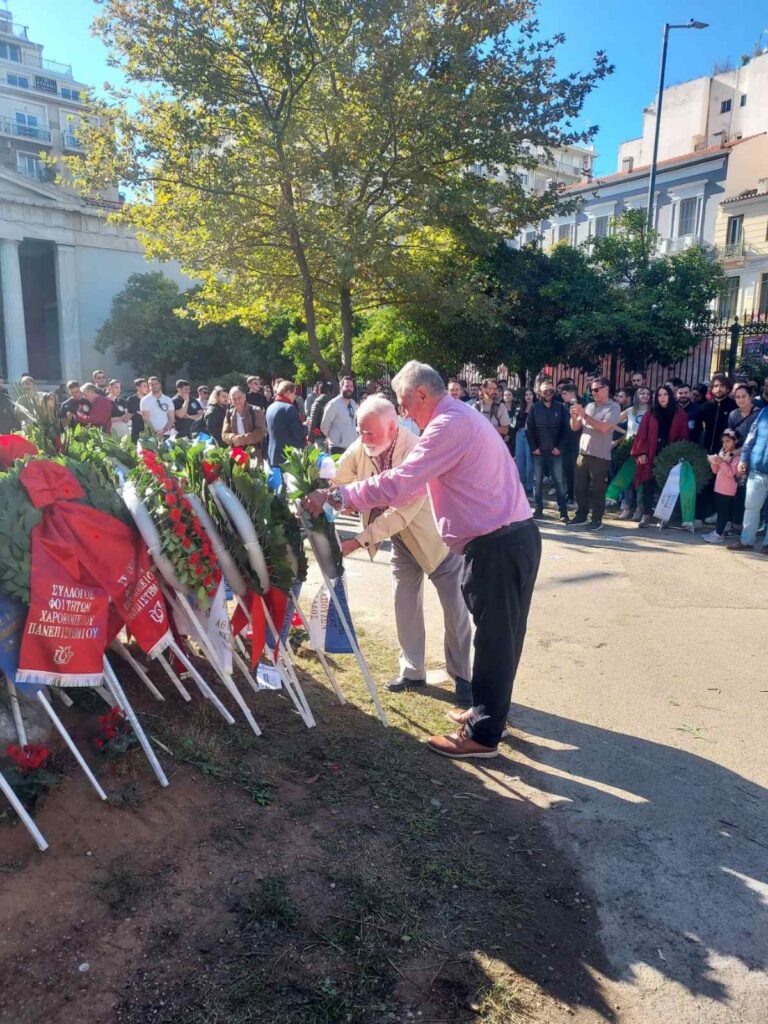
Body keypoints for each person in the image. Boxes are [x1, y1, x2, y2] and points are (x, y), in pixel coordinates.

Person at [303, 360, 540, 760]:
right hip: (506, 541)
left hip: (499, 545)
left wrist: (337, 498)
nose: (404, 410)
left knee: (496, 640)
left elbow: (401, 482)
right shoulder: (455, 418)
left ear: (421, 395)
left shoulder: (446, 426)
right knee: (498, 637)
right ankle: (484, 713)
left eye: (403, 402)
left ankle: (482, 737)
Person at [334, 396, 472, 700]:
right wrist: (319, 492)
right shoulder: (364, 444)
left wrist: (357, 541)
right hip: (400, 542)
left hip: (436, 541)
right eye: (360, 431)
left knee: (455, 610)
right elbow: (338, 476)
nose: (363, 439)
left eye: (370, 433)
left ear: (393, 426)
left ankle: (463, 677)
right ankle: (412, 671)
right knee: (404, 603)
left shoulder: (417, 450)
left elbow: (401, 512)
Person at [630, 384, 689, 528]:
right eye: (659, 395)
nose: (662, 398)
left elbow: (683, 436)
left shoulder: (680, 414)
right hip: (651, 452)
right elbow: (642, 435)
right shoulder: (651, 414)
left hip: (670, 454)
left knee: (668, 486)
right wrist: (641, 452)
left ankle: (664, 517)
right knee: (648, 485)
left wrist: (678, 455)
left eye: (665, 394)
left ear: (670, 396)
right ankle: (646, 515)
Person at [569, 378, 621, 532]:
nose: (594, 393)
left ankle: (597, 519)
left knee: (598, 489)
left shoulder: (614, 407)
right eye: (592, 390)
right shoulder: (590, 406)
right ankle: (581, 515)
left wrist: (584, 415)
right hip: (584, 452)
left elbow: (604, 428)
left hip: (600, 455)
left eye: (597, 389)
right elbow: (575, 427)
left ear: (606, 389)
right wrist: (574, 416)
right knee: (579, 487)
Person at [526, 379, 569, 523]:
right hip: (538, 451)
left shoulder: (561, 407)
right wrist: (534, 448)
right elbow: (529, 430)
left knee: (559, 481)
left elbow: (565, 430)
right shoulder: (534, 408)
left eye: (551, 390)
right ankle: (538, 510)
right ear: (540, 393)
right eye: (545, 391)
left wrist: (560, 447)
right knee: (537, 481)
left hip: (555, 451)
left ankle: (563, 512)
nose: (549, 393)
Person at [727, 406, 768, 555]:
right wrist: (743, 459)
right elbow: (751, 437)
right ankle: (746, 541)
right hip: (757, 470)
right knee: (751, 507)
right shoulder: (764, 412)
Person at [617, 385, 651, 520]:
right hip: (630, 448)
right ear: (637, 395)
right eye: (642, 393)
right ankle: (626, 507)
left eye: (647, 393)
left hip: (645, 450)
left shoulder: (652, 411)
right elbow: (613, 421)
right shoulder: (630, 410)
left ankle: (639, 508)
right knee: (627, 479)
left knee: (641, 481)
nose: (645, 395)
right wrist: (624, 433)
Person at [702, 429, 740, 544]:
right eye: (723, 442)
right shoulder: (723, 452)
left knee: (723, 513)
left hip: (728, 490)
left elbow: (731, 473)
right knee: (719, 511)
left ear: (736, 441)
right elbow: (716, 471)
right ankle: (717, 532)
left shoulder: (737, 457)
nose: (725, 444)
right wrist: (713, 462)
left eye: (728, 441)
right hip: (718, 487)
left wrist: (722, 462)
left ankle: (719, 534)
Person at [265, 380, 305, 465]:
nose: (295, 396)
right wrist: (306, 427)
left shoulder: (270, 407)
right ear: (287, 392)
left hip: (273, 455)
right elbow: (298, 433)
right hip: (287, 458)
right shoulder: (290, 408)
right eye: (294, 393)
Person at [222, 385, 266, 457]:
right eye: (234, 399)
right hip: (237, 452)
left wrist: (242, 439)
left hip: (254, 451)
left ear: (244, 397)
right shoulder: (229, 413)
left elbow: (261, 431)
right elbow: (224, 434)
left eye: (239, 398)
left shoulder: (256, 411)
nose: (237, 401)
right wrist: (232, 438)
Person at [321, 374, 358, 454]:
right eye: (347, 386)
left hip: (352, 448)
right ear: (340, 388)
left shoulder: (353, 403)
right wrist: (334, 438)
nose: (349, 389)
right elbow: (324, 426)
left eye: (351, 386)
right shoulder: (333, 404)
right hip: (337, 449)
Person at [559, 384, 580, 508]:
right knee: (567, 472)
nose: (562, 396)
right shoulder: (563, 407)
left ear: (572, 393)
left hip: (577, 443)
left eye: (564, 393)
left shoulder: (581, 404)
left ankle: (578, 499)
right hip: (565, 444)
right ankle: (570, 496)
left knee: (577, 473)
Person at [513, 387, 535, 496]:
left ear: (533, 396)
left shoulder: (537, 408)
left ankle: (529, 486)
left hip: (531, 435)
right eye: (526, 394)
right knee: (520, 462)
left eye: (530, 394)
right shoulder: (520, 409)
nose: (528, 396)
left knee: (529, 462)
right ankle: (521, 485)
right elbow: (515, 424)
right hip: (520, 434)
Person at [308, 380, 334, 448]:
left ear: (319, 391)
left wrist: (310, 440)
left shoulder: (316, 404)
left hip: (320, 437)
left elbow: (313, 422)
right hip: (333, 438)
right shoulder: (334, 404)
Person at [126, 378, 149, 442]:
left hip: (149, 429)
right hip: (136, 430)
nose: (147, 388)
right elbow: (132, 414)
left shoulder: (149, 399)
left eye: (147, 386)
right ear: (138, 388)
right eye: (144, 386)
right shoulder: (131, 399)